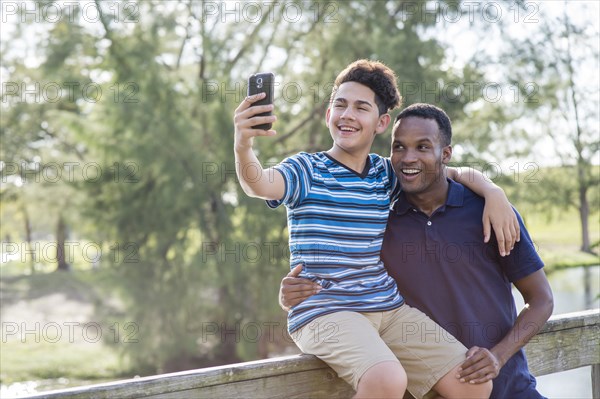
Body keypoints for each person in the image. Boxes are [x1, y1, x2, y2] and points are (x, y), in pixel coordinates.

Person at [234, 59, 514, 399]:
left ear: (381, 122)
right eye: (341, 105)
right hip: (325, 310)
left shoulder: (386, 175)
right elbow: (259, 184)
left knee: (474, 383)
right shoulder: (305, 169)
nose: (348, 115)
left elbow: (450, 172)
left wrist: (493, 192)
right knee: (386, 379)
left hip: (388, 308)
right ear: (328, 115)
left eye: (361, 108)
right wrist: (243, 145)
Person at [280, 103, 554, 399]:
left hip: (512, 391)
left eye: (423, 147)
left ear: (445, 154)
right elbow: (345, 284)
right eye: (399, 147)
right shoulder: (381, 223)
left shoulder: (491, 213)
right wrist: (293, 291)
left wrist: (498, 356)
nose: (409, 158)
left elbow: (541, 300)